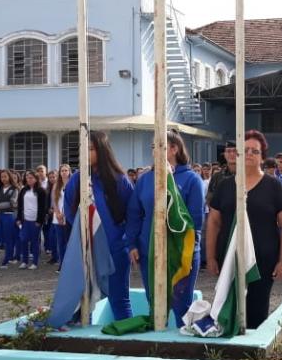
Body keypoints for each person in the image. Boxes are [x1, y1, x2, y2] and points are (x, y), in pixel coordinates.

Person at [206, 130, 282, 328]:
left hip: (262, 262)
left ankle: (253, 346)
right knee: (228, 307)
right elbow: (213, 222)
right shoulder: (225, 186)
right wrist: (210, 257)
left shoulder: (273, 186)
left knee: (256, 311)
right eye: (245, 150)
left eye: (255, 151)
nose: (249, 154)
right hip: (229, 257)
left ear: (262, 157)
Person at [126, 130, 204, 326]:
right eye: (152, 147)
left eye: (159, 146)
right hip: (149, 251)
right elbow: (134, 213)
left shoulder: (191, 179)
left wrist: (189, 251)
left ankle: (182, 342)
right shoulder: (145, 179)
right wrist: (132, 244)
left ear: (174, 149)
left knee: (181, 305)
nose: (154, 150)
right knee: (154, 303)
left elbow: (196, 220)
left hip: (180, 253)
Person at [63, 131, 134, 320]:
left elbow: (133, 214)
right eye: (83, 149)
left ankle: (127, 335)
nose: (86, 153)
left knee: (119, 299)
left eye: (91, 149)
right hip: (86, 250)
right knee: (81, 302)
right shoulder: (77, 179)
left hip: (115, 250)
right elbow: (69, 211)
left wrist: (124, 241)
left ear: (102, 151)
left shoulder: (119, 180)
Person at [16, 171, 48, 270]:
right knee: (23, 239)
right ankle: (24, 261)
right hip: (25, 219)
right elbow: (20, 205)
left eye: (31, 178)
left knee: (34, 241)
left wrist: (39, 221)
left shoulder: (41, 191)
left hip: (35, 220)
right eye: (27, 177)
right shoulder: (23, 190)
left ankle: (35, 262)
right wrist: (19, 218)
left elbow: (43, 207)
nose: (29, 179)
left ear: (36, 179)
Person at [0, 170, 19, 269]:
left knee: (8, 240)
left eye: (5, 176)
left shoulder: (15, 189)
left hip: (9, 216)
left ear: (9, 177)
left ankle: (5, 261)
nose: (3, 179)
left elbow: (12, 204)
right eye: (2, 177)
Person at [47, 164, 71, 266]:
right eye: (62, 171)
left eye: (66, 170)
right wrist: (57, 213)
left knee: (69, 242)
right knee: (60, 242)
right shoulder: (56, 185)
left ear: (69, 172)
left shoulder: (72, 184)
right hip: (58, 217)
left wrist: (65, 214)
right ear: (59, 173)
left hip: (69, 217)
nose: (64, 172)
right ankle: (62, 264)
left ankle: (69, 264)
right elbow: (54, 201)